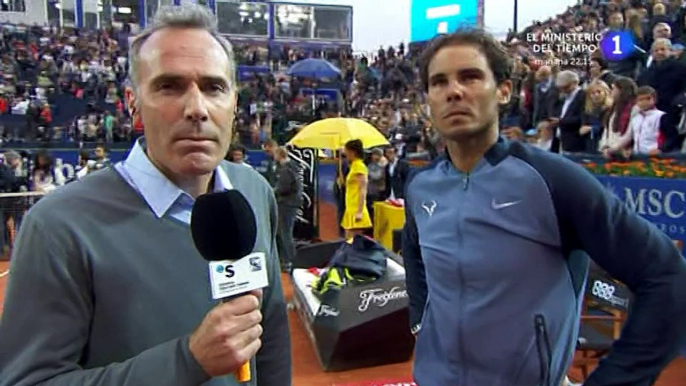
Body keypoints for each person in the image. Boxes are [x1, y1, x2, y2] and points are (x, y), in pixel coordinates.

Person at [0, 5, 291, 386]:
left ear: (234, 103)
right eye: (169, 86)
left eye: (213, 87)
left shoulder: (252, 191)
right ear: (132, 102)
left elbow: (269, 334)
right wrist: (187, 360)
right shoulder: (59, 226)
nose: (197, 109)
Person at [402, 28, 686, 386]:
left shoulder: (552, 180)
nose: (454, 91)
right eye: (439, 82)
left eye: (470, 77)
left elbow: (669, 278)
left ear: (504, 90)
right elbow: (413, 250)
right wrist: (419, 318)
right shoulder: (420, 185)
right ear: (428, 97)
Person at [273, 146, 302, 272]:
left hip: (286, 204)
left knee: (285, 233)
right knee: (285, 232)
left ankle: (290, 261)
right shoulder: (292, 166)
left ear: (279, 155)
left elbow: (283, 188)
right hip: (291, 203)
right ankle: (288, 260)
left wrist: (272, 191)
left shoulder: (286, 170)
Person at [341, 139, 371, 238]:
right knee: (348, 241)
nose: (345, 154)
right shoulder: (353, 165)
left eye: (347, 151)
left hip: (356, 208)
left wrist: (359, 211)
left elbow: (363, 189)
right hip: (350, 206)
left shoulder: (359, 166)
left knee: (352, 242)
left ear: (352, 152)